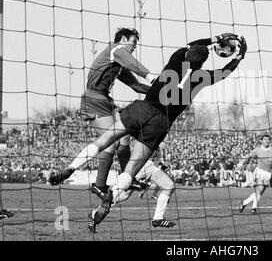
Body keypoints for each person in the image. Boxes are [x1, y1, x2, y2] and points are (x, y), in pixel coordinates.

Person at [49, 32, 247, 230]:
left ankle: (70, 169)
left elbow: (190, 44)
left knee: (105, 140)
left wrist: (214, 39)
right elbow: (225, 72)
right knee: (131, 169)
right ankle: (112, 193)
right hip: (161, 122)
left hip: (142, 109)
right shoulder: (203, 76)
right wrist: (239, 56)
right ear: (203, 62)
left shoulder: (177, 58)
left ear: (187, 54)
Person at [49, 28, 157, 199]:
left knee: (124, 138)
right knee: (111, 141)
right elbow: (132, 63)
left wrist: (158, 91)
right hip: (94, 99)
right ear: (123, 39)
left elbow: (136, 86)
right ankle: (98, 185)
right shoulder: (115, 49)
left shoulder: (119, 64)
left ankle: (128, 177)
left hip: (105, 100)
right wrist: (152, 78)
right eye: (133, 43)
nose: (134, 47)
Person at [238, 134, 272, 214]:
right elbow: (248, 156)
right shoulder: (258, 150)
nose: (266, 141)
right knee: (259, 189)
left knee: (260, 192)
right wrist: (241, 163)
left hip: (268, 173)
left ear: (270, 141)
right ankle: (254, 208)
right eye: (265, 139)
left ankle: (244, 203)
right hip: (259, 171)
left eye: (268, 139)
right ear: (262, 141)